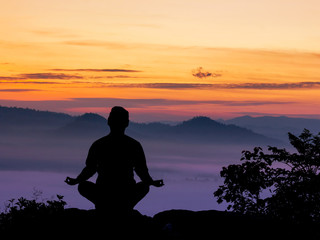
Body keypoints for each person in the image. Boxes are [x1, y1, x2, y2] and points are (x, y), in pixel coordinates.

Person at [65, 106, 164, 215]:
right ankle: (123, 208)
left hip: (104, 192)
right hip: (125, 193)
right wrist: (151, 182)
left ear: (109, 122)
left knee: (83, 186)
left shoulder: (99, 144)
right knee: (144, 186)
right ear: (127, 123)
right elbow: (141, 169)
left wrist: (77, 180)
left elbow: (90, 168)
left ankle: (104, 207)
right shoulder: (134, 145)